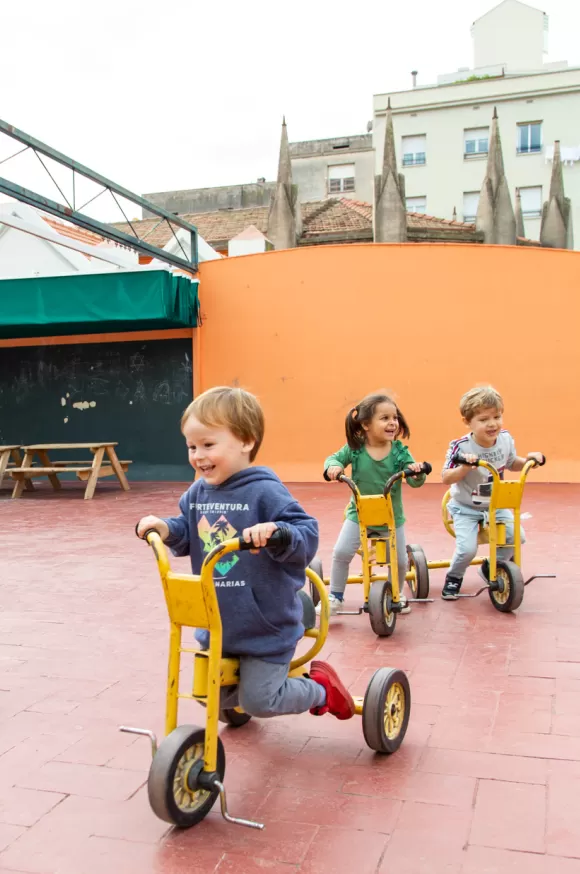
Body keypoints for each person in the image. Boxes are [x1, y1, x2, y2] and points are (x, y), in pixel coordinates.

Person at [137, 385, 355, 720]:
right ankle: (250, 690)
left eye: (208, 445)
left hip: (264, 625)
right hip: (218, 622)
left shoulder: (264, 490)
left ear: (246, 441)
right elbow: (188, 530)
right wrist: (166, 528)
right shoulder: (197, 493)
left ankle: (321, 689)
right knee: (206, 693)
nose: (197, 455)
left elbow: (306, 532)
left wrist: (277, 533)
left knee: (260, 701)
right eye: (192, 446)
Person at [322, 391, 427, 615]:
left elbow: (415, 480)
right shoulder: (355, 448)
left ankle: (396, 594)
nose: (392, 423)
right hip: (359, 514)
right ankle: (335, 597)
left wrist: (417, 472)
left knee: (399, 561)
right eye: (385, 418)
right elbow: (334, 458)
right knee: (341, 552)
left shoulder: (399, 452)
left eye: (395, 417)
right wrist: (333, 467)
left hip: (391, 517)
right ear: (366, 424)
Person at [441, 385, 544, 600]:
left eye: (497, 417)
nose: (492, 424)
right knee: (467, 549)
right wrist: (464, 467)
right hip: (465, 507)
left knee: (516, 537)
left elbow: (512, 463)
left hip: (495, 505)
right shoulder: (461, 446)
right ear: (467, 422)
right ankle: (454, 577)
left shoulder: (505, 439)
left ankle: (491, 566)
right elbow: (446, 477)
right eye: (483, 419)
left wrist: (530, 461)